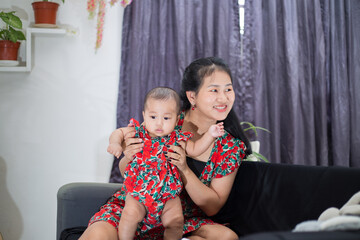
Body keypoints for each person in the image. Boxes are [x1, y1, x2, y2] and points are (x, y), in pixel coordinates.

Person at [79, 57, 251, 240]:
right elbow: (125, 171)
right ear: (192, 96)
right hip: (138, 203)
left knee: (226, 237)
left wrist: (184, 169)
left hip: (180, 217)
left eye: (228, 89)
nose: (223, 98)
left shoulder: (229, 147)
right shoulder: (163, 118)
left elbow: (212, 206)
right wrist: (128, 156)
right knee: (98, 235)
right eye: (214, 90)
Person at [106, 87, 225, 240]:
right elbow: (119, 133)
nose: (159, 123)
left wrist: (210, 134)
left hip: (168, 194)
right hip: (139, 192)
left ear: (176, 120)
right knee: (130, 215)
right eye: (153, 117)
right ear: (144, 115)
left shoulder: (177, 138)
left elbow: (195, 149)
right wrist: (115, 144)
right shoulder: (138, 133)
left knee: (175, 221)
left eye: (166, 118)